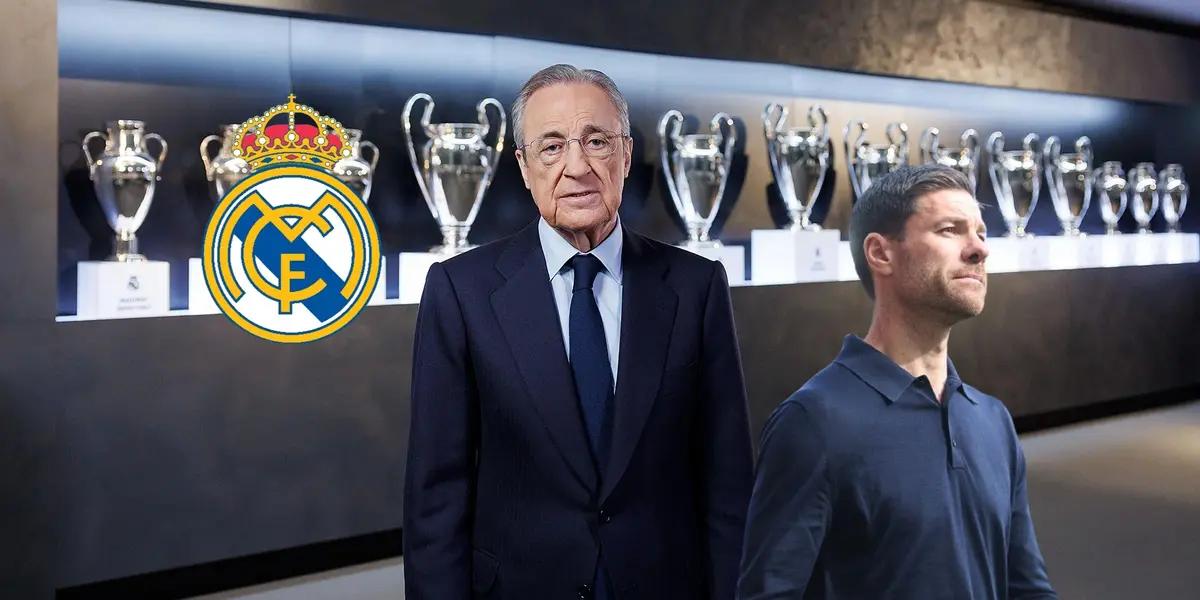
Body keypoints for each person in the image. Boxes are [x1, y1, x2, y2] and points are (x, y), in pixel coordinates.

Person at [404, 64, 753, 600]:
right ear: (522, 166)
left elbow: (727, 483)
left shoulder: (696, 286)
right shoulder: (461, 291)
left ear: (627, 154)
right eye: (551, 147)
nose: (577, 166)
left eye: (597, 141)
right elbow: (436, 496)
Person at [738, 164, 1057, 599]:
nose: (979, 250)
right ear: (881, 253)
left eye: (981, 233)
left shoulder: (993, 420)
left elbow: (1027, 587)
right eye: (950, 230)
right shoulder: (813, 423)